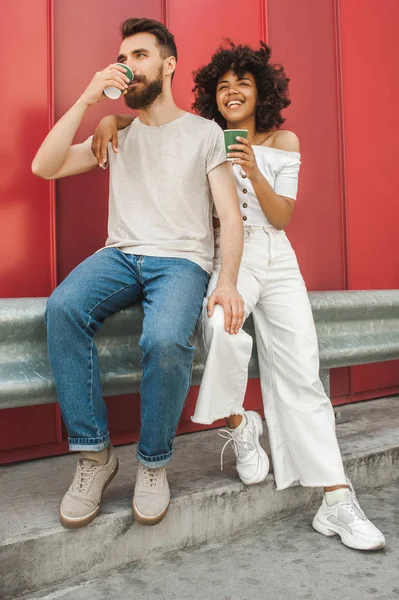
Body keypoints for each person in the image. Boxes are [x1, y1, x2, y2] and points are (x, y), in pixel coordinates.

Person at [92, 40, 386, 551]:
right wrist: (108, 122)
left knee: (303, 371)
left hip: (277, 253)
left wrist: (251, 167)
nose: (231, 92)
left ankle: (337, 500)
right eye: (222, 86)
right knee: (221, 331)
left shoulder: (283, 140)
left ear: (261, 92)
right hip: (235, 256)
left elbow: (282, 217)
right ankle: (239, 422)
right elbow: (145, 128)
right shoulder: (202, 137)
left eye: (242, 84)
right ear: (211, 95)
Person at [32, 19, 244, 529]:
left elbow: (231, 217)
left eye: (141, 55)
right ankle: (94, 456)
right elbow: (44, 166)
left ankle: (153, 463)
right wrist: (88, 101)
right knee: (63, 307)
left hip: (182, 261)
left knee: (167, 340)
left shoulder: (204, 133)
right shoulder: (117, 134)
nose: (129, 65)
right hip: (122, 254)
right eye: (124, 56)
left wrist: (228, 280)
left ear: (168, 65)